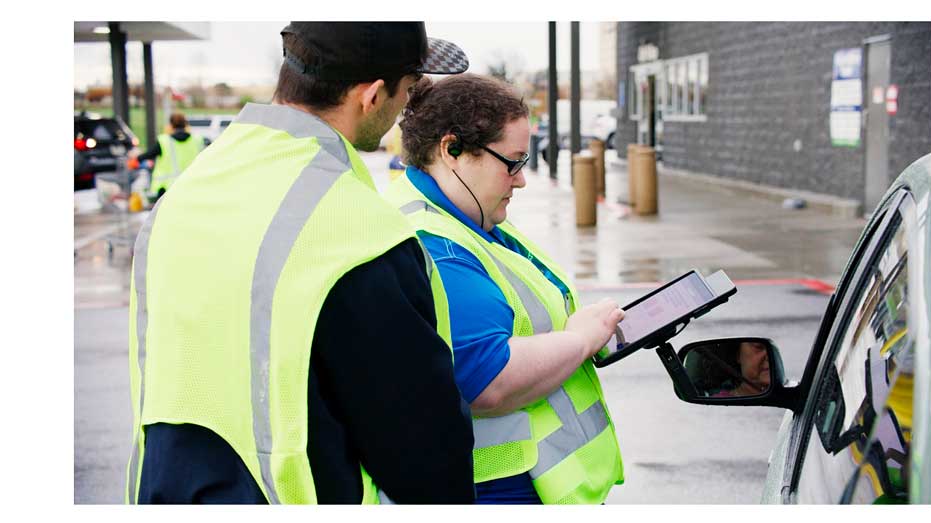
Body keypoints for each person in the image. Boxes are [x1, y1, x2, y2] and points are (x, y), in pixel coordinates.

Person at [126, 22, 475, 504]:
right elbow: (425, 461)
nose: (403, 111)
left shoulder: (186, 194)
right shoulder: (357, 230)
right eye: (408, 91)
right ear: (372, 96)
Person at [382, 74, 626, 504]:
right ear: (452, 149)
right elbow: (486, 378)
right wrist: (580, 340)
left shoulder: (469, 218)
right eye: (511, 162)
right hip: (504, 490)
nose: (521, 179)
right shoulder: (437, 244)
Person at [135, 112, 210, 201]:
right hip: (191, 186)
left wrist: (135, 160)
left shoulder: (164, 141)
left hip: (167, 190)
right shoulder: (197, 140)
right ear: (186, 125)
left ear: (170, 125)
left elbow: (147, 155)